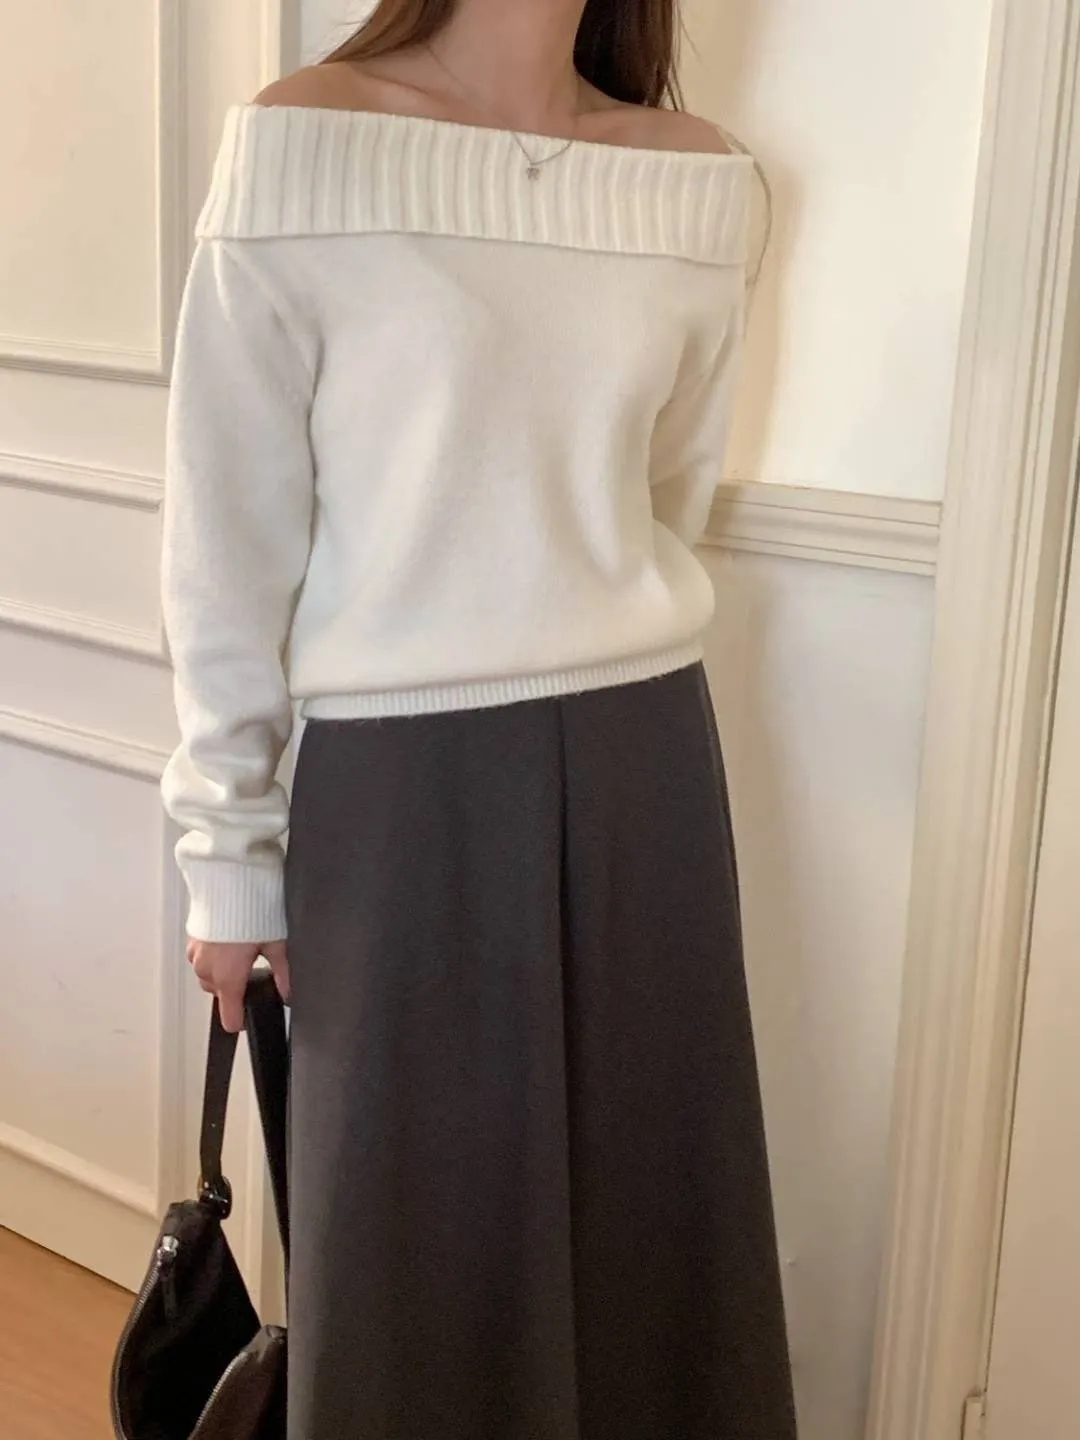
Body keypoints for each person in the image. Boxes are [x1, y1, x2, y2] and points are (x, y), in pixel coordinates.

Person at [159, 0, 797, 1435]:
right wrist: (228, 851)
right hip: (397, 788)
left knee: (654, 1226)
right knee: (409, 1248)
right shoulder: (300, 142)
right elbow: (227, 547)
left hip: (646, 766)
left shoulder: (699, 178)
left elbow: (664, 499)